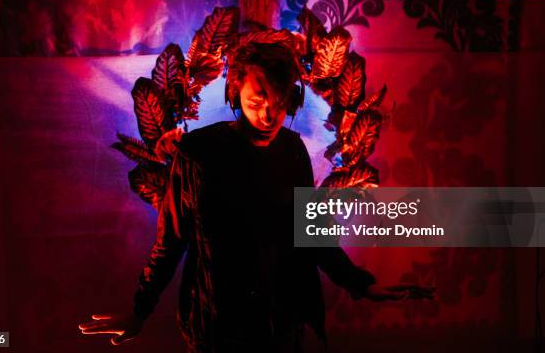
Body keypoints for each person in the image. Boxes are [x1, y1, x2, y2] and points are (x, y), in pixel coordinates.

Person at [79, 42, 434, 352]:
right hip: (218, 328)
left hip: (281, 323)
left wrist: (361, 284)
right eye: (257, 100)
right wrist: (140, 310)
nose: (268, 115)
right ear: (236, 94)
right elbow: (171, 240)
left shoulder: (293, 150)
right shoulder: (198, 153)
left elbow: (310, 235)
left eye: (278, 103)